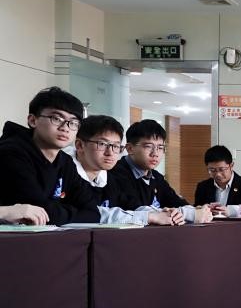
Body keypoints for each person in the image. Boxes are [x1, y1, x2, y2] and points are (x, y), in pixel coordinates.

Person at [0, 86, 100, 224]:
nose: (65, 128)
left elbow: (92, 213)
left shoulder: (65, 161)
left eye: (73, 123)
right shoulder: (10, 153)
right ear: (33, 120)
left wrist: (56, 211)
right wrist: (69, 210)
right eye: (56, 118)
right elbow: (36, 212)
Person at [73, 115, 182, 226]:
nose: (110, 152)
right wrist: (149, 216)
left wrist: (162, 213)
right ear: (80, 145)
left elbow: (130, 205)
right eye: (102, 144)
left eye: (116, 146)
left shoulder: (107, 177)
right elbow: (89, 212)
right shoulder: (68, 171)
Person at [110, 119, 211, 222]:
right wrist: (189, 214)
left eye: (160, 147)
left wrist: (196, 210)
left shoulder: (156, 177)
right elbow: (135, 210)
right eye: (148, 146)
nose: (155, 153)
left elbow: (175, 202)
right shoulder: (115, 174)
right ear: (130, 148)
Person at [193, 144, 241, 214]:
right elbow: (197, 210)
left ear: (231, 166)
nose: (218, 174)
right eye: (212, 170)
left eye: (221, 169)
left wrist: (232, 212)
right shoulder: (202, 187)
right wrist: (202, 209)